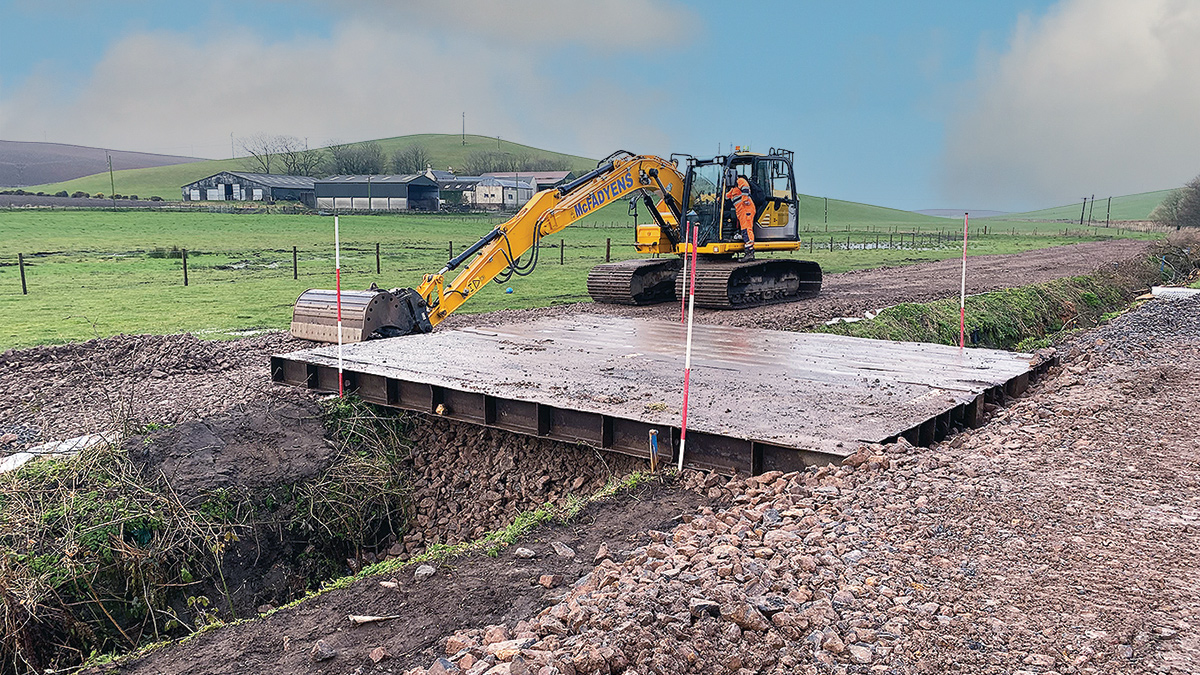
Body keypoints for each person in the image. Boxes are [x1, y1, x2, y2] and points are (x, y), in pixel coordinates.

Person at [724, 168, 756, 261]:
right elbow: (727, 196)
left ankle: (750, 252)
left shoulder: (740, 181)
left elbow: (745, 187)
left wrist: (745, 199)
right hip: (741, 212)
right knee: (744, 229)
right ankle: (749, 251)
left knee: (747, 229)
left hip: (746, 209)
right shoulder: (734, 189)